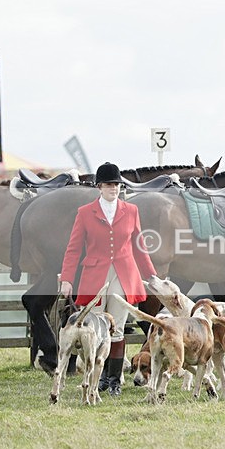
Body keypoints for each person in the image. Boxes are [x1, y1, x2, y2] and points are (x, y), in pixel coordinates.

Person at [60, 162, 157, 396]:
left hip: (123, 275)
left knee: (118, 329)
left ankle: (114, 380)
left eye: (116, 184)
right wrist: (67, 278)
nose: (113, 188)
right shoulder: (85, 212)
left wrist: (151, 275)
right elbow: (73, 249)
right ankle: (98, 378)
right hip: (95, 275)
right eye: (109, 184)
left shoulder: (131, 210)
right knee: (94, 329)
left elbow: (139, 246)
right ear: (99, 186)